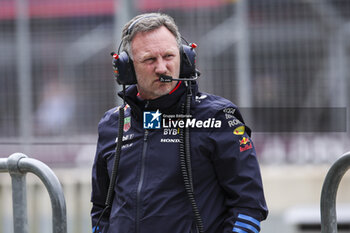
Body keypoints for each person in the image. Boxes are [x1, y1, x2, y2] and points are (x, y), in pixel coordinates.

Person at [91, 12, 268, 233]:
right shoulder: (112, 124)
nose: (162, 68)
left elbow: (248, 205)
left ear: (185, 59)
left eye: (168, 56)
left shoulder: (219, 117)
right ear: (127, 69)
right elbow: (100, 208)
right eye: (149, 59)